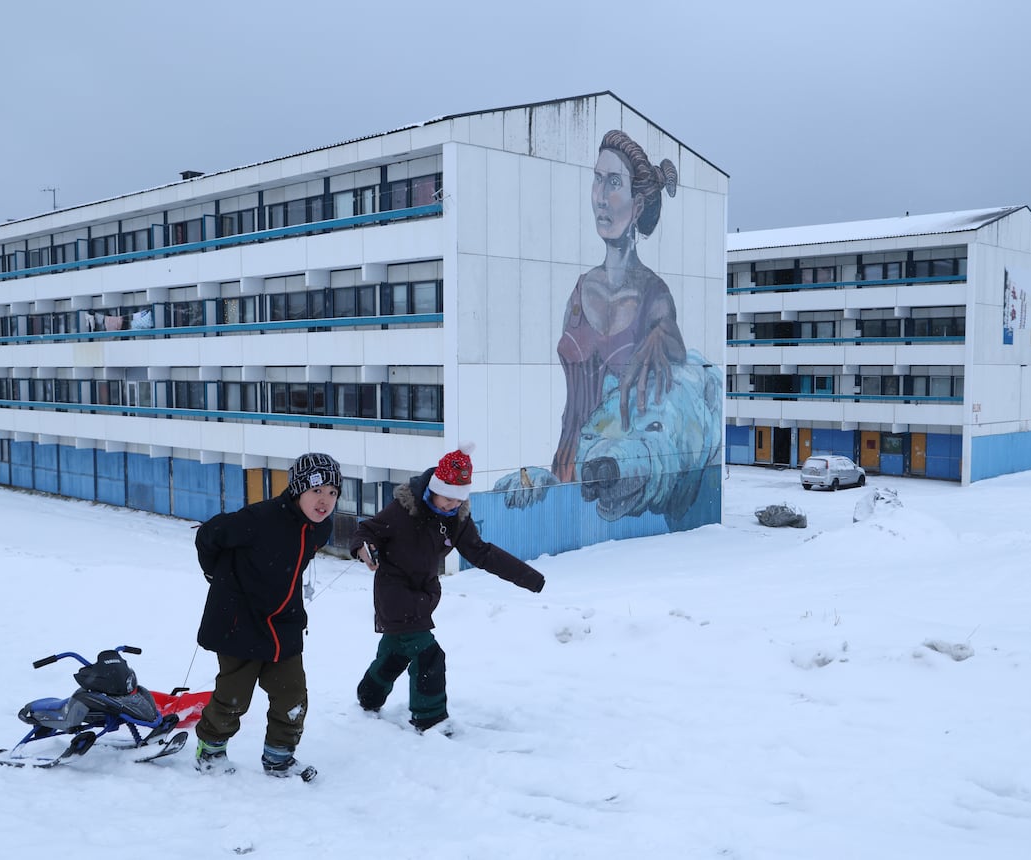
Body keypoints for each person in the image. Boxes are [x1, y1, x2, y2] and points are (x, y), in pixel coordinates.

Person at [351, 443, 546, 732]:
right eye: (448, 498)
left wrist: (528, 577)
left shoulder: (456, 520)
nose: (453, 505)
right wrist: (363, 549)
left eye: (459, 500)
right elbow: (368, 531)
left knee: (397, 651)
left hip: (424, 593)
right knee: (428, 655)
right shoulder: (405, 509)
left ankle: (368, 695)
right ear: (434, 487)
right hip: (394, 592)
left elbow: (482, 553)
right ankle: (430, 719)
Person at [191, 452, 341, 776]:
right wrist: (215, 575)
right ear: (298, 490)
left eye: (332, 493)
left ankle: (279, 756)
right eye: (317, 491)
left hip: (283, 621)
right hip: (239, 620)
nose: (324, 501)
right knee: (234, 695)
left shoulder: (320, 527)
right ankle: (211, 751)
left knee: (292, 694)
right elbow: (208, 536)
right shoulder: (259, 519)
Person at [552, 129, 686, 482]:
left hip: (617, 473)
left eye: (613, 183)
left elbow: (677, 349)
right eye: (597, 180)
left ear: (638, 204)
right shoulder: (580, 291)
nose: (600, 197)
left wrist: (660, 338)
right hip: (566, 462)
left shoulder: (653, 294)